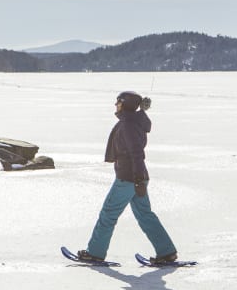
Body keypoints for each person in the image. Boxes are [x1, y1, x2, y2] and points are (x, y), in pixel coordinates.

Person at [76, 90, 179, 264]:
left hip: (128, 179)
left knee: (108, 214)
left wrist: (137, 180)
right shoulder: (132, 120)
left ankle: (95, 253)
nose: (116, 105)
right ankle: (167, 252)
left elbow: (136, 153)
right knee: (145, 215)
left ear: (126, 105)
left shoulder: (128, 125)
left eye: (119, 102)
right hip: (136, 177)